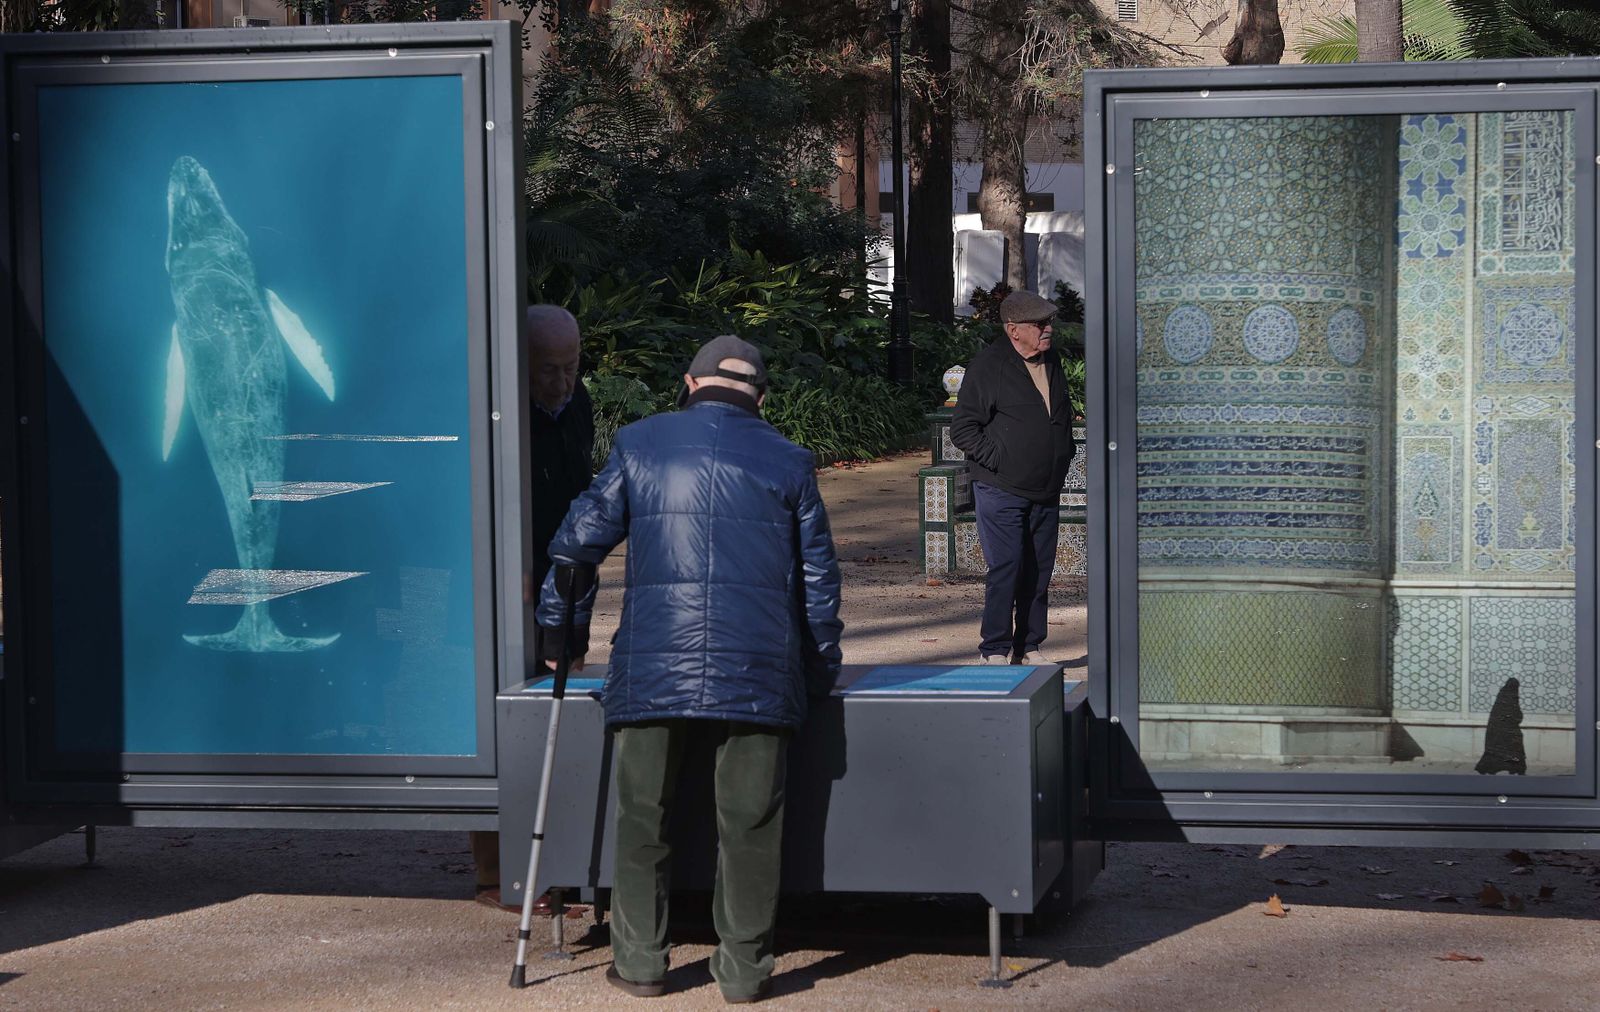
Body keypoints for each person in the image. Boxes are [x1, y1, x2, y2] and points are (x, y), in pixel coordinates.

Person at [535, 335, 844, 1004]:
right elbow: (819, 581)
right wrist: (820, 671)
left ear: (690, 382)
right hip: (758, 668)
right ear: (760, 397)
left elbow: (574, 549)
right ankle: (743, 973)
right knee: (751, 825)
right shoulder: (790, 461)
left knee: (644, 816)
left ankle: (642, 962)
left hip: (654, 665)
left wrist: (561, 634)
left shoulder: (640, 443)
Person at [472, 304, 594, 911]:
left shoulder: (579, 405)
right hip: (503, 583)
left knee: (558, 708)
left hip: (566, 581)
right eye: (548, 370)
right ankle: (499, 871)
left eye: (571, 367)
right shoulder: (493, 409)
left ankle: (557, 859)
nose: (563, 382)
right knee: (499, 716)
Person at [949, 289, 1076, 665]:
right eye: (1039, 324)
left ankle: (1029, 645)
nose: (1047, 329)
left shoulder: (1049, 359)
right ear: (1013, 329)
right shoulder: (990, 366)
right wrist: (1000, 461)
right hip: (1001, 488)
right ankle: (995, 650)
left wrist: (1061, 453)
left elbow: (1058, 415)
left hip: (1045, 487)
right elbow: (963, 429)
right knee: (1007, 567)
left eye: (1048, 322)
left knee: (1039, 571)